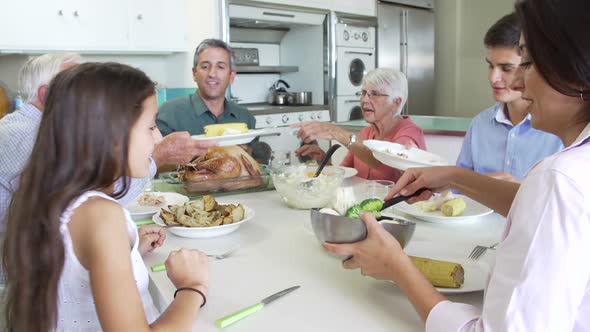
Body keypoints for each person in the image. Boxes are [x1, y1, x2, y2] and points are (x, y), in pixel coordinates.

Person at [323, 1, 590, 330]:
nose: (517, 83)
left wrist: (396, 266)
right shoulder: (568, 173)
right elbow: (539, 209)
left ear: (578, 70)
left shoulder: (560, 178)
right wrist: (454, 176)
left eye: (529, 62)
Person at [3, 62, 209, 331]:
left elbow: (73, 266)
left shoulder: (45, 193)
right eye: (150, 126)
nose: (157, 138)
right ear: (112, 135)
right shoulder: (101, 215)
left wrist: (121, 251)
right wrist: (192, 287)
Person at [0, 53, 212, 227]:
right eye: (78, 87)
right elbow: (91, 198)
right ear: (47, 94)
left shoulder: (47, 130)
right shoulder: (25, 134)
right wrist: (156, 157)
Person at [456, 13, 563, 182]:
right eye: (490, 66)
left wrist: (520, 192)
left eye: (506, 68)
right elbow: (456, 190)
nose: (493, 78)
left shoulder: (560, 132)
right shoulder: (479, 125)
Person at [294, 68, 426, 182]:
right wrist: (324, 160)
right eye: (363, 93)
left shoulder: (409, 133)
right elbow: (344, 174)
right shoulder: (366, 133)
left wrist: (338, 133)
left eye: (374, 94)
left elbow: (387, 168)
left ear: (396, 102)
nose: (364, 100)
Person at [157, 38, 256, 136]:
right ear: (194, 73)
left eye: (220, 67)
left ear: (232, 76)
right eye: (205, 67)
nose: (212, 74)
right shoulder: (169, 114)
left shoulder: (245, 118)